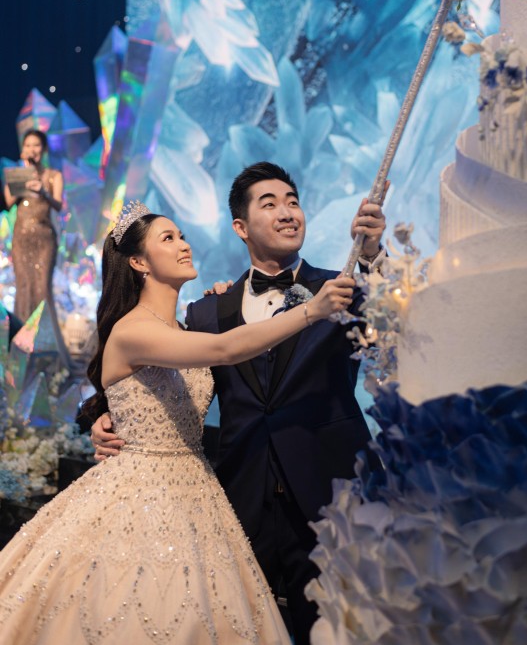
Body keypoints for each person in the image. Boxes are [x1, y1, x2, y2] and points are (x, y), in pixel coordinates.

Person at [0, 200, 355, 644]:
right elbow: (224, 350)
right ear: (139, 262)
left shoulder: (186, 330)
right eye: (168, 239)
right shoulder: (131, 330)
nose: (184, 245)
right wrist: (311, 311)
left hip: (197, 490)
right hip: (136, 495)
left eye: (182, 236)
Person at [93, 162, 386, 644]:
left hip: (329, 497)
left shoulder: (339, 289)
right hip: (237, 502)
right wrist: (111, 418)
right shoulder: (206, 311)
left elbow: (391, 328)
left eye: (293, 202)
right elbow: (152, 376)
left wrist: (372, 254)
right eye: (269, 204)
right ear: (241, 227)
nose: (287, 212)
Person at [3, 129, 63, 326]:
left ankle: (44, 339)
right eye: (28, 145)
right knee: (24, 288)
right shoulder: (16, 173)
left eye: (36, 145)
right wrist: (23, 177)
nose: (32, 149)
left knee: (42, 288)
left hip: (44, 238)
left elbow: (58, 205)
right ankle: (21, 338)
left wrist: (43, 191)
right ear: (23, 149)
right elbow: (9, 202)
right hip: (21, 239)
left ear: (43, 149)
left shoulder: (54, 175)